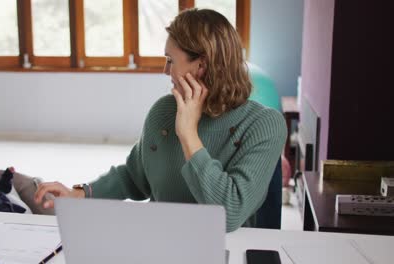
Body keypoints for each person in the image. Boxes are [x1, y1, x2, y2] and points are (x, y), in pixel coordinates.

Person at [34, 8, 287, 232]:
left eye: (170, 60)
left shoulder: (264, 125)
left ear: (202, 66)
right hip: (159, 241)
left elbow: (229, 214)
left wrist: (188, 134)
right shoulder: (164, 111)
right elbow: (134, 177)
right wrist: (79, 194)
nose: (165, 71)